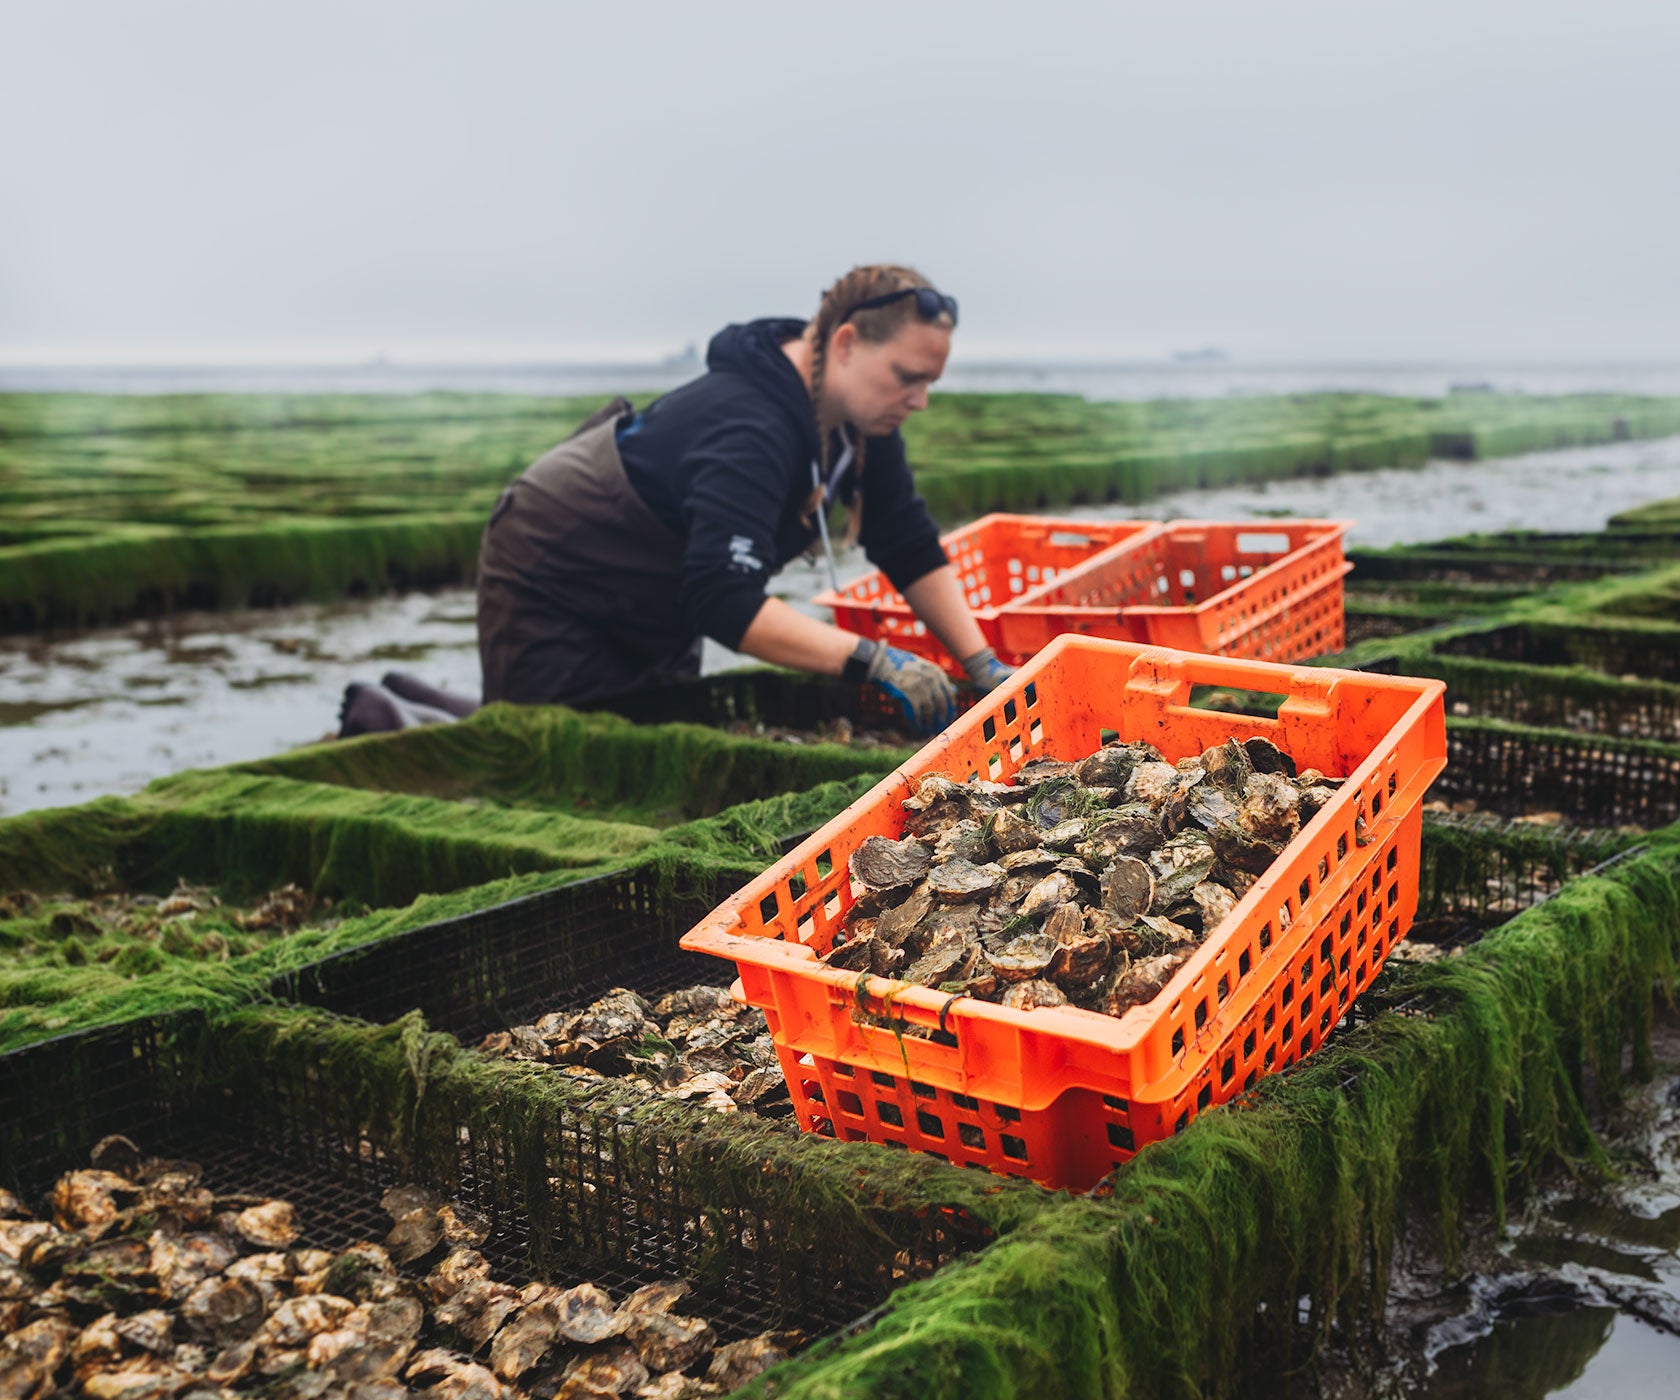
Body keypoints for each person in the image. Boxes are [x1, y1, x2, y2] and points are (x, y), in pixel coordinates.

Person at [341, 264, 1011, 739]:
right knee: (543, 746)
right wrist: (872, 659)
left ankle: (414, 694)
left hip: (657, 583)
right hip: (555, 561)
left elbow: (905, 539)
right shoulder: (751, 425)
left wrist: (980, 665)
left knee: (638, 729)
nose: (920, 400)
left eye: (930, 382)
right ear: (845, 344)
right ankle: (381, 715)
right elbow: (724, 599)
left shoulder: (862, 422)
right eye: (908, 377)